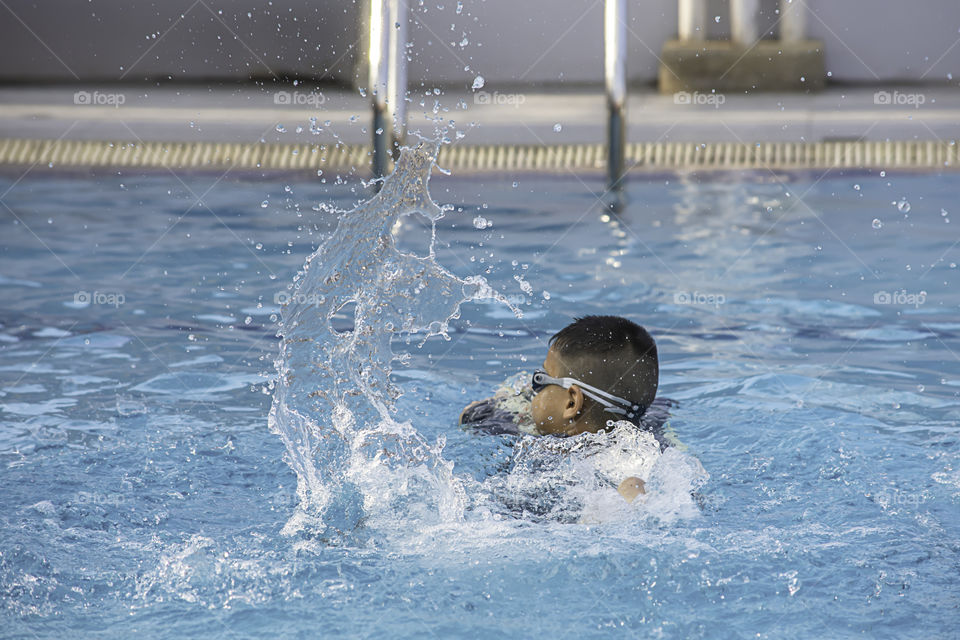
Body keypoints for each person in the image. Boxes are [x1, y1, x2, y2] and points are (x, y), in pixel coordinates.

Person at [460, 315, 676, 502]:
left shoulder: (529, 443)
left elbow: (467, 416)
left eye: (539, 381)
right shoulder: (650, 438)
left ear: (572, 403)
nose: (530, 389)